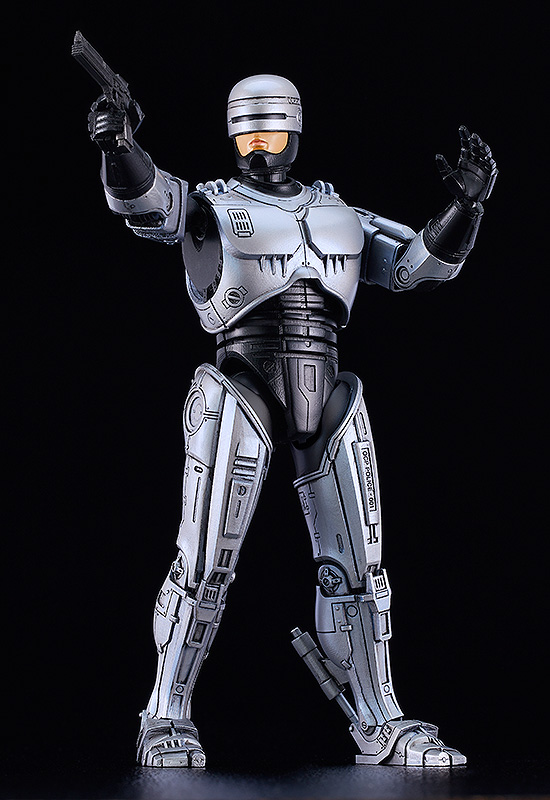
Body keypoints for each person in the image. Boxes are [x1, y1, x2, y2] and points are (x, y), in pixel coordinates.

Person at [87, 73, 497, 767]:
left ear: (296, 134)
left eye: (272, 133)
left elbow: (416, 268)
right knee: (205, 560)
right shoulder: (213, 205)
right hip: (239, 379)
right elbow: (149, 202)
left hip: (327, 388)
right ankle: (165, 712)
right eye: (247, 134)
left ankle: (380, 717)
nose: (260, 147)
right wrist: (118, 145)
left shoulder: (341, 214)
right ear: (231, 136)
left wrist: (465, 206)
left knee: (359, 570)